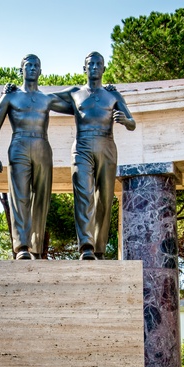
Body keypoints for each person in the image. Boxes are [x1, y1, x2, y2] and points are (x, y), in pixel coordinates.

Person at [0, 54, 71, 259]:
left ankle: (35, 247)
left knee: (41, 198)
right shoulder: (10, 97)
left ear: (41, 71)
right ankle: (22, 247)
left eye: (36, 66)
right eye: (28, 65)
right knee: (20, 197)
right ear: (21, 70)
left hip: (42, 145)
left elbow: (78, 106)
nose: (32, 68)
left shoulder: (47, 98)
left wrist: (101, 93)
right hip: (19, 144)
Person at [61, 51, 136, 260]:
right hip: (82, 145)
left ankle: (99, 249)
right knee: (83, 195)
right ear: (84, 68)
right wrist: (13, 93)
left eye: (98, 64)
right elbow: (44, 100)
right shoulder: (74, 93)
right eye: (90, 64)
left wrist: (124, 119)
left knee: (104, 199)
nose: (94, 67)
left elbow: (132, 123)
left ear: (104, 68)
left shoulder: (113, 95)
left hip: (107, 145)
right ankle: (86, 246)